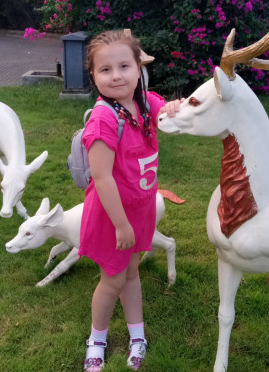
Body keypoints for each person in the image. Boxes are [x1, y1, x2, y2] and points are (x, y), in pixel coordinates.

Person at [78, 30, 181, 371]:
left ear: (139, 68)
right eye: (105, 70)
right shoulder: (103, 119)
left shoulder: (144, 103)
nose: (116, 76)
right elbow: (102, 178)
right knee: (112, 281)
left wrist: (176, 107)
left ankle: (138, 335)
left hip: (140, 211)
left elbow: (169, 114)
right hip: (114, 218)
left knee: (131, 273)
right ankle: (96, 340)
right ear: (93, 76)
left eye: (124, 66)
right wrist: (121, 225)